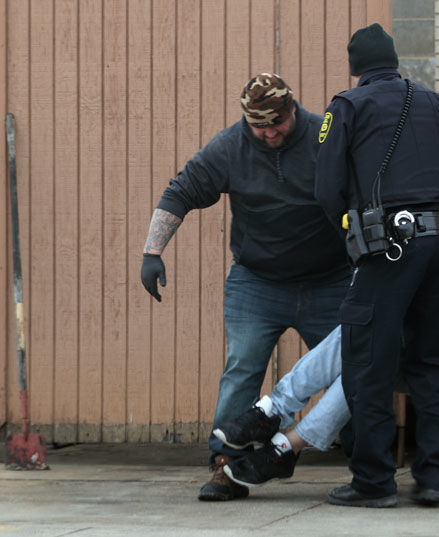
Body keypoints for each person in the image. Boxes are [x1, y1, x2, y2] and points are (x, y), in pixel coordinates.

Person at [140, 73, 350, 502]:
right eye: (261, 126)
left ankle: (367, 462)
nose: (271, 132)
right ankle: (225, 469)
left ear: (293, 109)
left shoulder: (324, 137)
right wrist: (152, 252)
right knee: (242, 371)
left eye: (279, 122)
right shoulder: (230, 147)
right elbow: (180, 191)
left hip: (330, 279)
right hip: (257, 282)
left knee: (358, 364)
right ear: (246, 120)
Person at [313, 23, 439, 508]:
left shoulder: (347, 106)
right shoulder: (434, 103)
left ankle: (374, 481)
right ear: (395, 60)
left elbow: (326, 189)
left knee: (367, 364)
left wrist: (353, 239)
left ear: (356, 66)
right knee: (432, 365)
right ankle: (434, 477)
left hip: (388, 250)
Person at [214, 293, 439, 489]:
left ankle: (273, 412)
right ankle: (285, 444)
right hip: (437, 341)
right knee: (362, 351)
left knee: (366, 332)